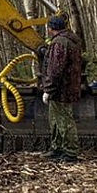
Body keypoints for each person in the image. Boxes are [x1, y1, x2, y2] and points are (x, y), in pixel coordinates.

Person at [39, 14, 84, 162]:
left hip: (62, 89)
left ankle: (70, 152)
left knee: (64, 121)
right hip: (66, 87)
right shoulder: (71, 41)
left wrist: (48, 89)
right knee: (55, 120)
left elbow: (55, 69)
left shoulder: (60, 43)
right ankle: (57, 148)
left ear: (51, 28)